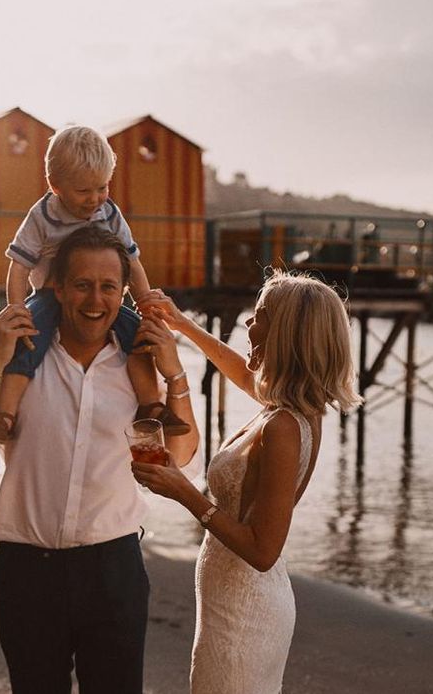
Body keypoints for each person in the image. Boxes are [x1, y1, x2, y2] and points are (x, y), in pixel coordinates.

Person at [0, 226, 201, 694]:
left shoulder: (139, 366)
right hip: (27, 573)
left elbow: (179, 457)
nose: (95, 300)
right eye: (82, 284)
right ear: (58, 288)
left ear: (123, 292)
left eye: (108, 287)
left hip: (114, 572)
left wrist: (176, 374)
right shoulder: (24, 360)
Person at [133, 271, 362, 693]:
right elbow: (241, 373)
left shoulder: (283, 428)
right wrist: (182, 325)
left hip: (245, 614)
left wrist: (184, 492)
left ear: (287, 334)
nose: (247, 324)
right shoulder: (291, 409)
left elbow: (262, 550)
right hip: (232, 602)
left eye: (260, 317)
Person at [0, 124, 190, 443]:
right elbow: (19, 266)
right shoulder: (42, 216)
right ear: (56, 185)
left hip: (100, 293)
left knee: (138, 337)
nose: (94, 199)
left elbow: (131, 261)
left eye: (101, 188)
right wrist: (16, 308)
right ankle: (5, 415)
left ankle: (151, 406)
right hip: (51, 293)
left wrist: (145, 302)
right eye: (83, 191)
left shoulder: (109, 211)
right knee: (28, 341)